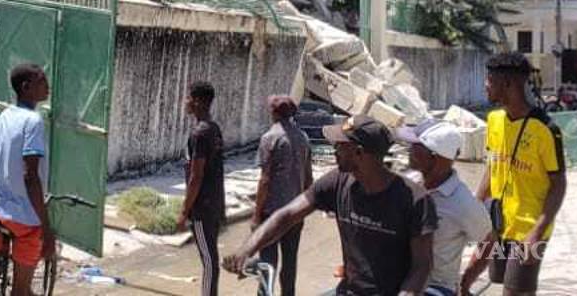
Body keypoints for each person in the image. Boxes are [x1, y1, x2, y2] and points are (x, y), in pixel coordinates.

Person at [224, 115, 436, 296]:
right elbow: (288, 214)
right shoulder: (337, 181)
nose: (334, 151)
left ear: (359, 153)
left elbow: (422, 266)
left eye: (340, 146)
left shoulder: (415, 200)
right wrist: (248, 248)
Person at [471, 53, 567, 296]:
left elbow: (558, 184)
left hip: (530, 228)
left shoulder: (545, 130)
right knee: (498, 279)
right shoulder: (494, 120)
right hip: (499, 223)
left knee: (516, 292)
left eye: (490, 80)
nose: (485, 85)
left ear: (508, 84)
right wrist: (475, 206)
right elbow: (492, 167)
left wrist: (537, 232)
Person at [397, 119, 493, 296]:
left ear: (434, 156)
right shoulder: (409, 185)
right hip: (401, 278)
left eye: (416, 146)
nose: (409, 150)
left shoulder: (463, 203)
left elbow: (489, 243)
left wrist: (465, 284)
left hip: (435, 287)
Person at [0, 64, 53, 296]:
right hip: (24, 220)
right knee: (21, 291)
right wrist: (46, 228)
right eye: (42, 81)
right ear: (26, 87)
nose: (47, 85)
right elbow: (30, 176)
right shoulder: (33, 121)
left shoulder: (5, 115)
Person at [252, 96, 313, 296]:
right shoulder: (303, 138)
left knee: (267, 262)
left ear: (274, 113)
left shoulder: (270, 138)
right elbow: (309, 178)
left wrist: (256, 215)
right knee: (290, 263)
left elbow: (265, 180)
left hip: (272, 212)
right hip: (296, 211)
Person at [177, 81, 226, 296]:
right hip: (214, 204)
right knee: (211, 258)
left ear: (197, 101)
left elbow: (196, 176)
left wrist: (184, 211)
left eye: (188, 98)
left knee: (209, 261)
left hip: (203, 208)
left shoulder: (199, 134)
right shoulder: (213, 129)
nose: (186, 102)